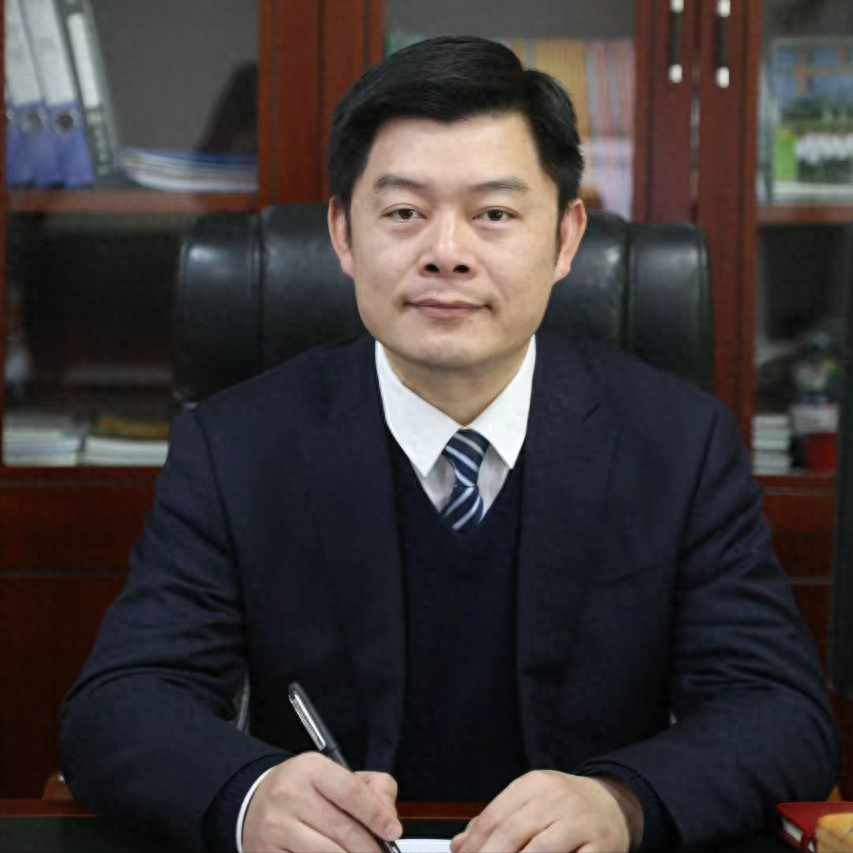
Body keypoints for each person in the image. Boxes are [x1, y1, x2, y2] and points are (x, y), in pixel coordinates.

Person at [60, 36, 839, 853]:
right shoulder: (237, 446)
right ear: (343, 233)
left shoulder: (677, 444)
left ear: (565, 238)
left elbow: (779, 712)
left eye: (493, 214)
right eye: (403, 212)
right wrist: (249, 796)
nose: (446, 253)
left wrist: (622, 802)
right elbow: (119, 703)